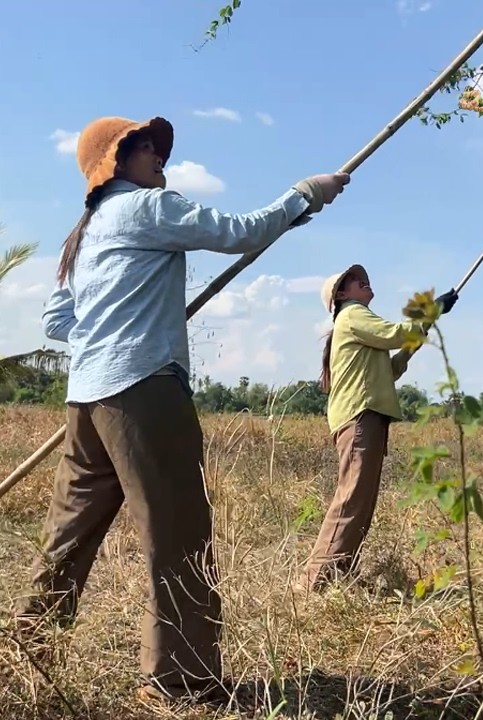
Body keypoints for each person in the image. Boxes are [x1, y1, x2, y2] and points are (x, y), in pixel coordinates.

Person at [16, 115, 349, 705]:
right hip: (143, 391)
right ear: (115, 161)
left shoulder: (84, 232)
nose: (158, 155)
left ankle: (25, 653)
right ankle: (182, 682)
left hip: (86, 399)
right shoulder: (146, 208)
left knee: (66, 536)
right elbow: (240, 232)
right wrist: (306, 194)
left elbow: (55, 321)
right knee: (177, 534)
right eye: (142, 145)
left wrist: (109, 327)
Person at [297, 265, 457, 592]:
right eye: (354, 280)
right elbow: (395, 334)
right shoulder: (354, 314)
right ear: (341, 295)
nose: (362, 280)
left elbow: (394, 367)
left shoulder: (359, 324)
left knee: (360, 503)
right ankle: (312, 583)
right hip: (360, 418)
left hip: (366, 418)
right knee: (352, 500)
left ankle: (337, 577)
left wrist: (423, 328)